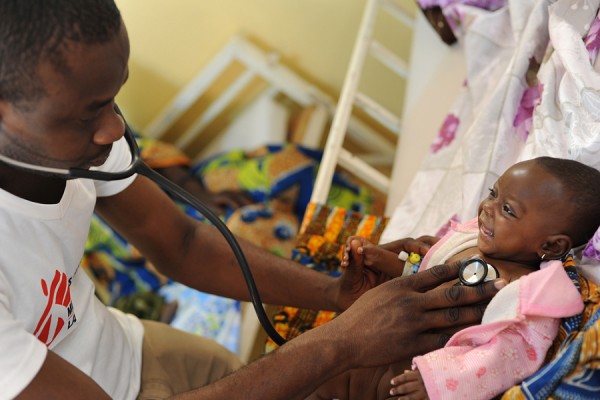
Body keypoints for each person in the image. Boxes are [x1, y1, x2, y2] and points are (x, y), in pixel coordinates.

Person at [0, 1, 503, 399]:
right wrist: (340, 343)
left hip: (132, 351)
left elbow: (182, 244)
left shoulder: (81, 142)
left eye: (115, 98)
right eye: (87, 115)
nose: (114, 129)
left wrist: (334, 295)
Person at [307, 156, 600, 399]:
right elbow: (426, 277)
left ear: (551, 246)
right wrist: (380, 260)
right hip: (374, 361)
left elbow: (505, 358)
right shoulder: (469, 241)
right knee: (314, 376)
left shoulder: (523, 295)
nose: (487, 207)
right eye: (493, 193)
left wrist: (442, 384)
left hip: (414, 384)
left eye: (508, 210)